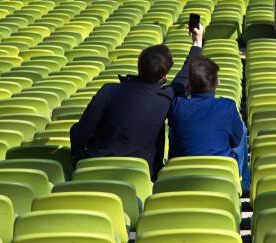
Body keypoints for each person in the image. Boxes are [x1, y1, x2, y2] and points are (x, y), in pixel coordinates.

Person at [70, 25, 204, 180]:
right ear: (164, 77)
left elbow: (80, 132)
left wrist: (78, 161)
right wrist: (197, 43)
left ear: (139, 67)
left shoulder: (108, 91)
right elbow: (183, 79)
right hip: (139, 178)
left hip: (92, 173)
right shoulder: (165, 99)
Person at [167, 55, 250, 191]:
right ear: (217, 82)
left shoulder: (177, 105)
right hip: (221, 173)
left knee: (174, 129)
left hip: (181, 172)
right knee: (241, 128)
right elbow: (236, 141)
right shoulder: (227, 106)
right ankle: (243, 183)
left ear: (188, 86)